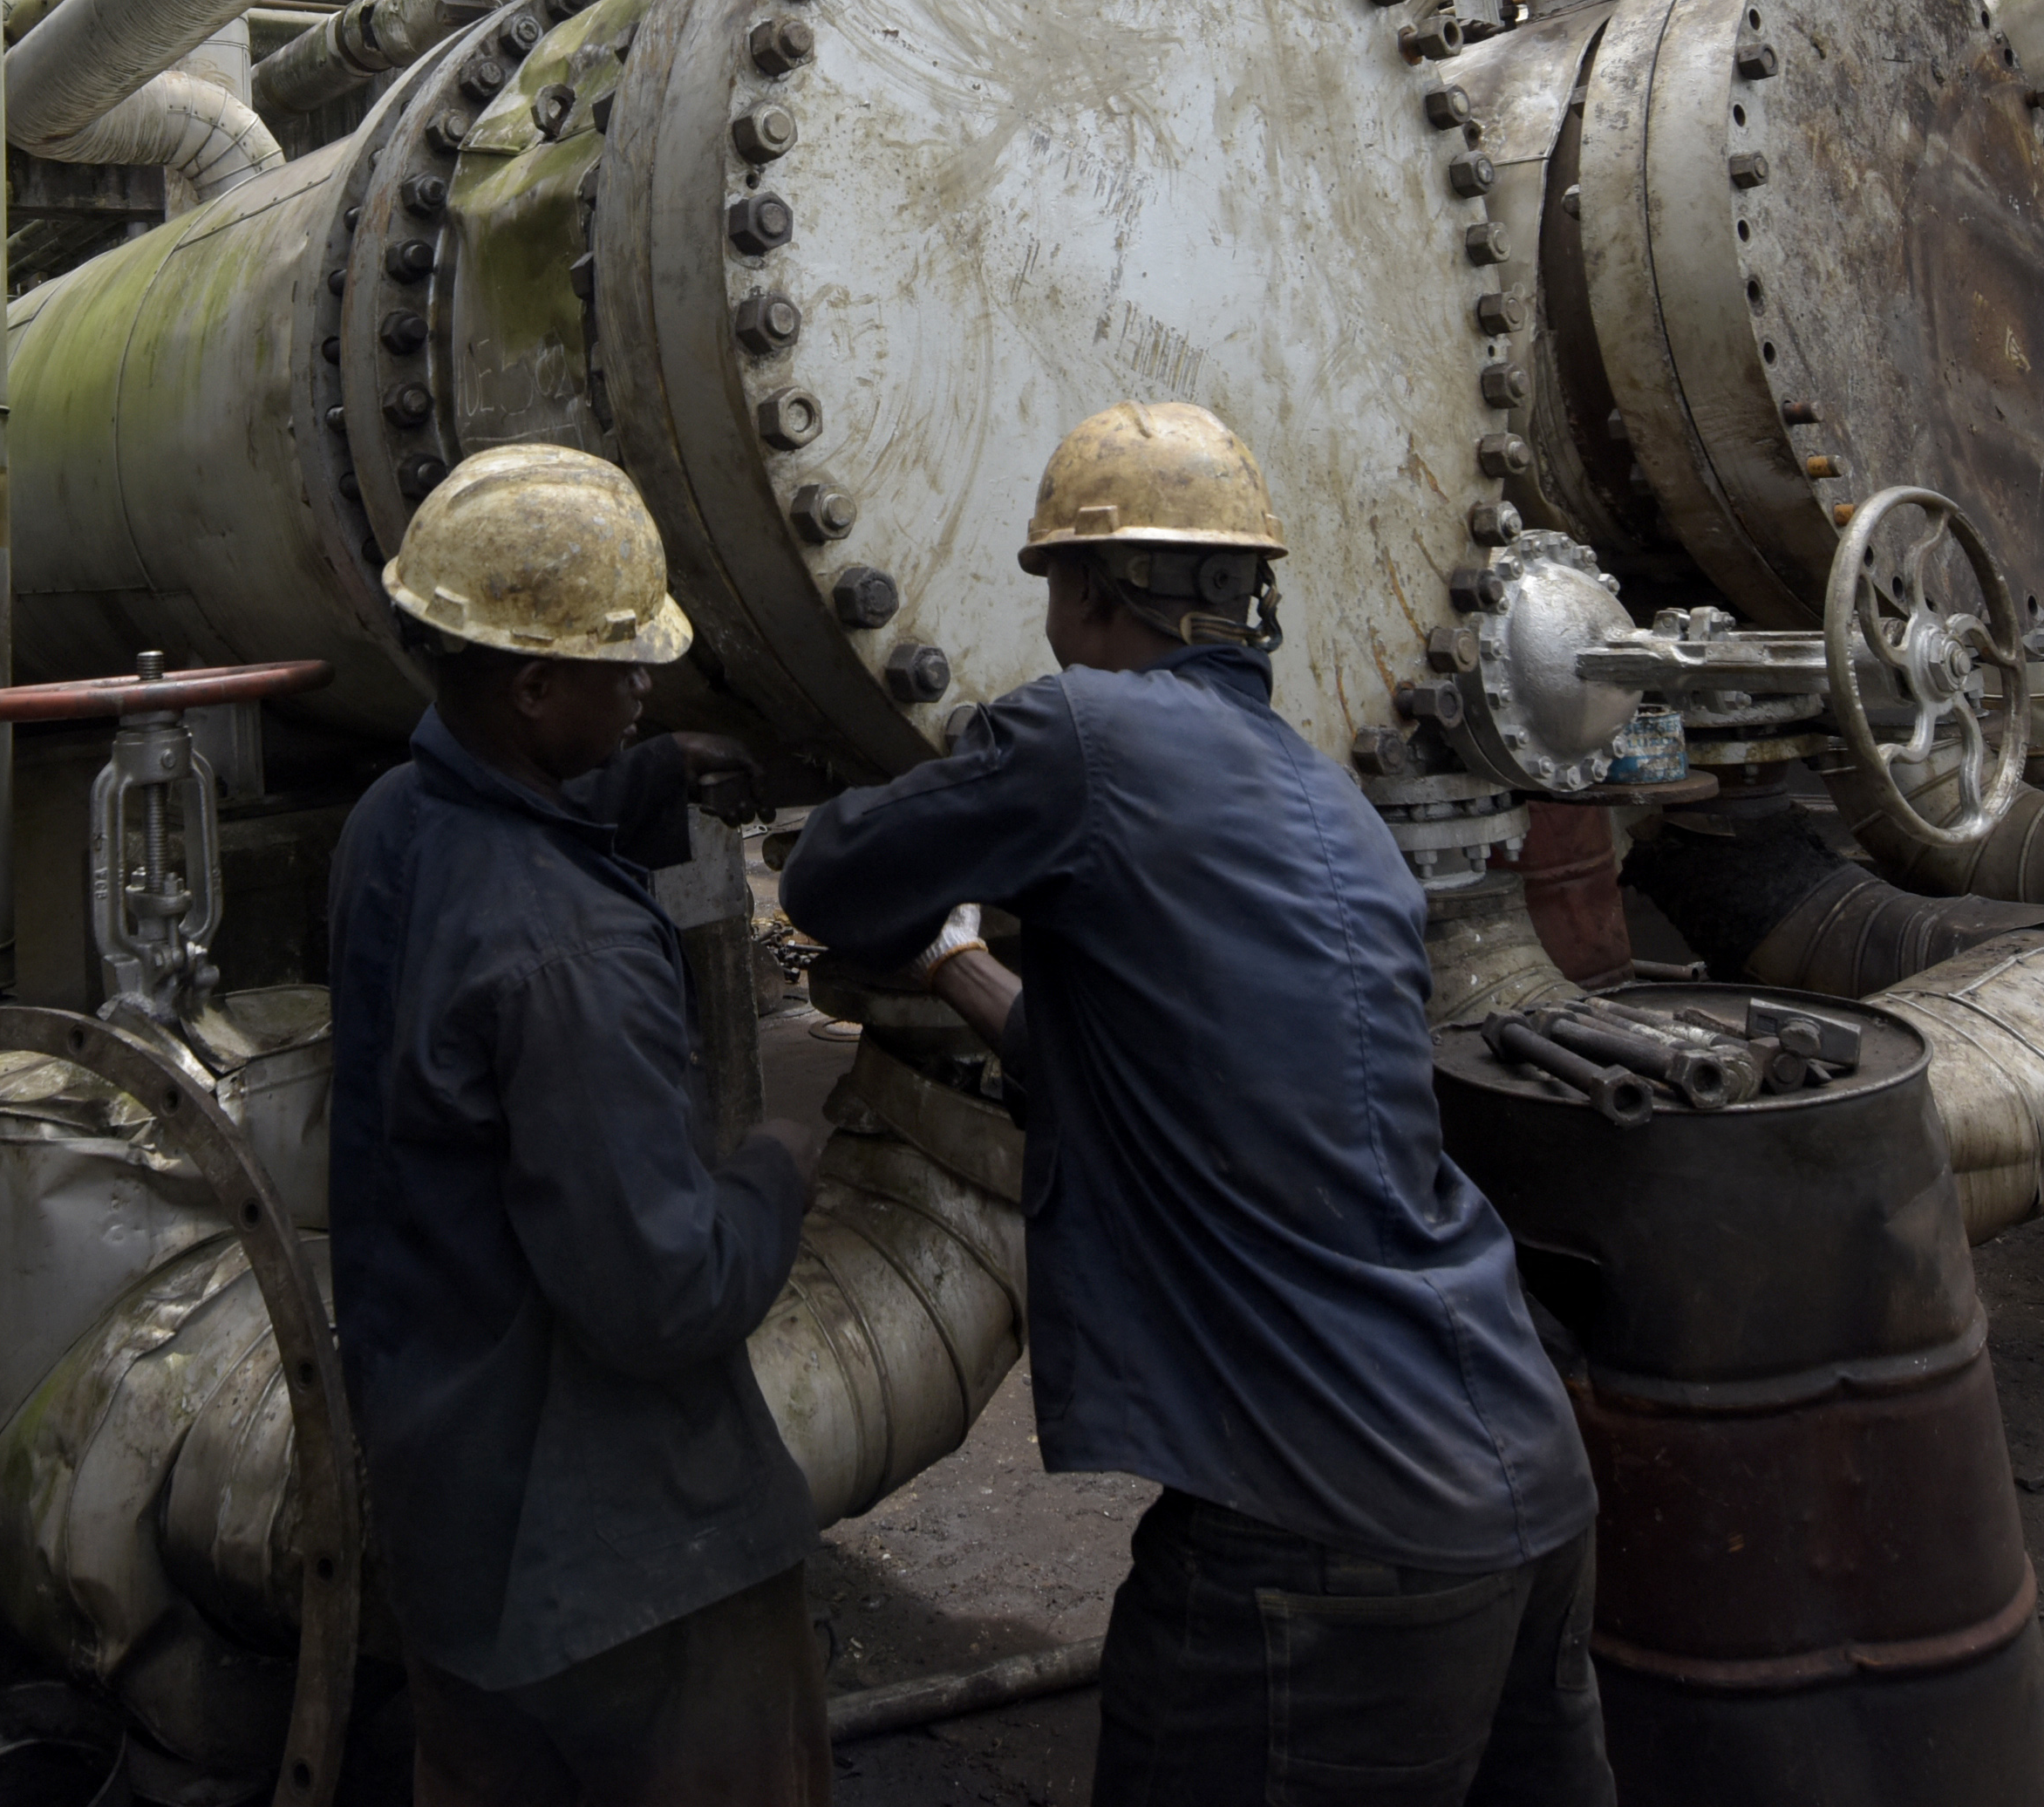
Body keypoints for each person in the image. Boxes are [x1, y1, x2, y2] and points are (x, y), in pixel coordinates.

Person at [782, 400, 1612, 1807]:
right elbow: (1164, 1064)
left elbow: (828, 882)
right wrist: (968, 968)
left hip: (1318, 1526)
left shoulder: (1081, 734)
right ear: (1247, 595)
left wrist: (939, 860)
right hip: (1522, 1483)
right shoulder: (1326, 797)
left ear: (1088, 590)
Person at [323, 443, 830, 1807]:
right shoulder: (572, 959)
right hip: (618, 1565)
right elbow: (664, 1295)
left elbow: (504, 817)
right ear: (535, 686)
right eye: (622, 669)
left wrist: (648, 773)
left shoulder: (388, 825)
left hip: (448, 1507)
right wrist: (781, 1154)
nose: (647, 683)